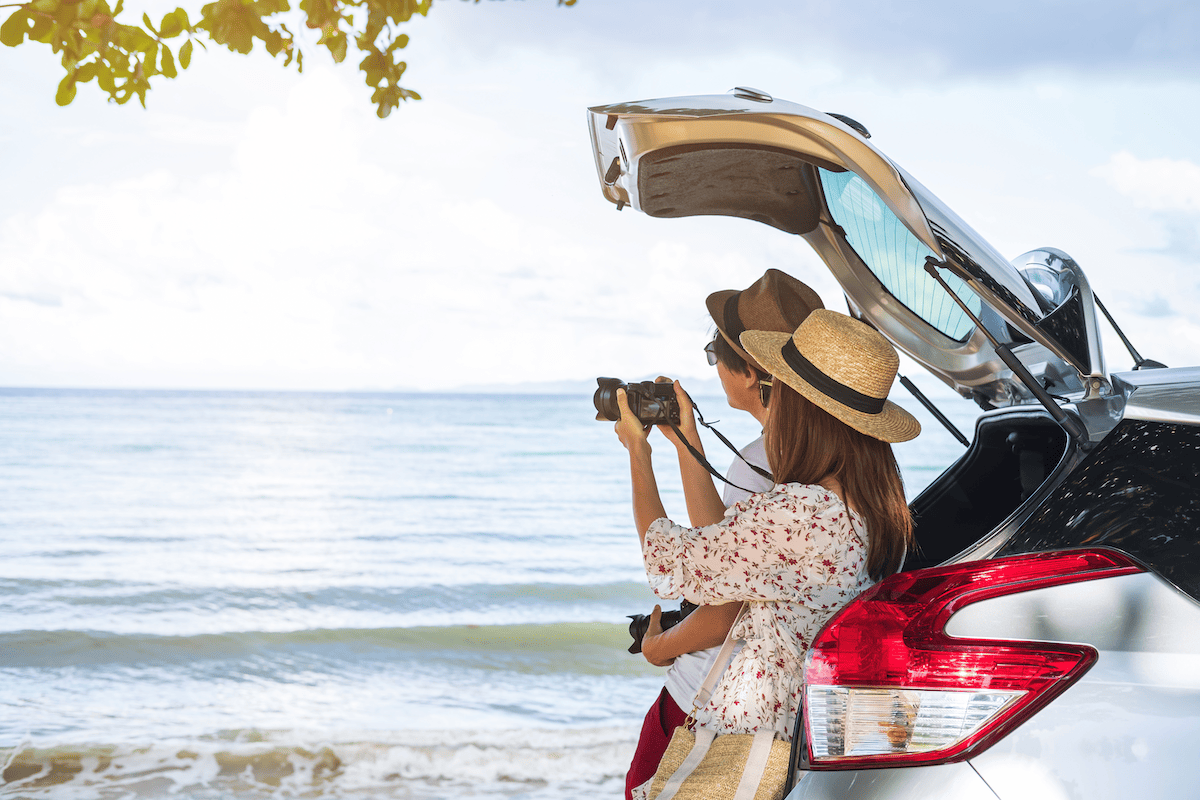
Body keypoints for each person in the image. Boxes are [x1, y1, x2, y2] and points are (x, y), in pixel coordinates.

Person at [614, 309, 919, 795]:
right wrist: (687, 441)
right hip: (808, 735)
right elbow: (736, 558)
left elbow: (669, 558)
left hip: (755, 737)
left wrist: (638, 453)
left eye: (783, 390)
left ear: (804, 407)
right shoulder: (878, 507)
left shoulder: (801, 511)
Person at [622, 270, 824, 799]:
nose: (714, 367)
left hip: (712, 703)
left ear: (753, 370)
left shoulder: (768, 467)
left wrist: (660, 646)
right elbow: (727, 550)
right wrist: (688, 441)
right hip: (785, 713)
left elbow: (717, 600)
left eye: (716, 352)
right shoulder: (837, 468)